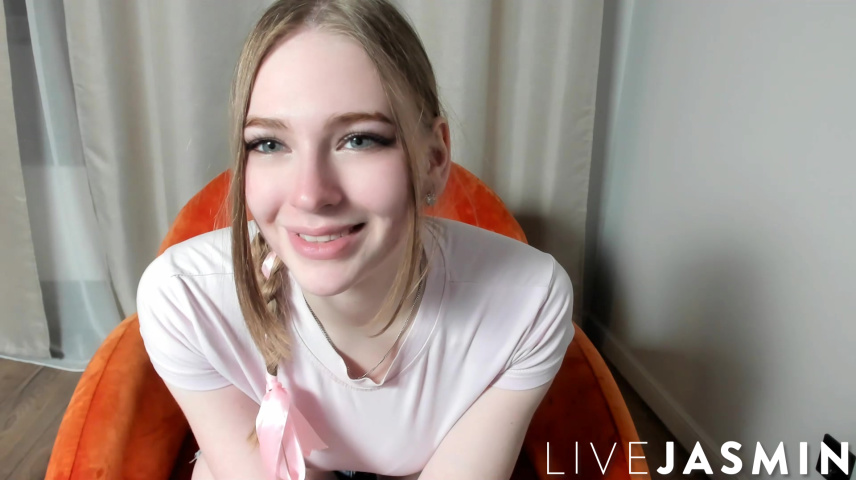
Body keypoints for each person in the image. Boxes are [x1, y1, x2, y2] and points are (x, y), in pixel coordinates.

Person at [137, 1, 575, 479]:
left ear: (433, 158)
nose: (310, 195)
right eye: (269, 143)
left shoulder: (529, 303)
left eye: (359, 139)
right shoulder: (185, 300)